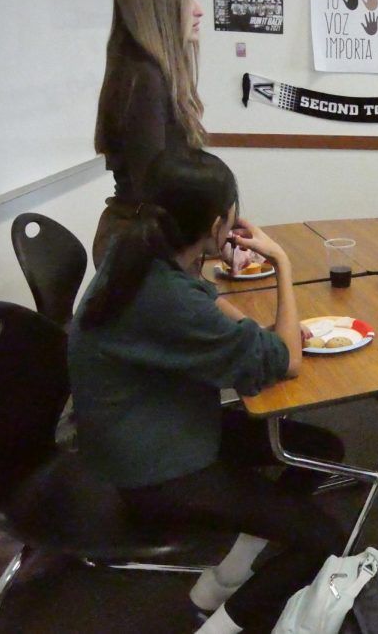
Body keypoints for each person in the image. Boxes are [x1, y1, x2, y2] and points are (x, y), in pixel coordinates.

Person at [70, 150, 345, 633]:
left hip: (141, 431)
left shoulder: (134, 254)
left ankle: (226, 577)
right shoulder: (164, 295)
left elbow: (207, 306)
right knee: (324, 537)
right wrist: (279, 260)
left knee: (320, 448)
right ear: (218, 223)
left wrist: (262, 337)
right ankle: (215, 628)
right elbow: (288, 362)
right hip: (156, 470)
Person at [92, 0, 206, 267]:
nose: (199, 10)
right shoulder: (145, 78)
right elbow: (158, 191)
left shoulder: (141, 71)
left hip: (143, 242)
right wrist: (212, 241)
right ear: (161, 7)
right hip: (141, 251)